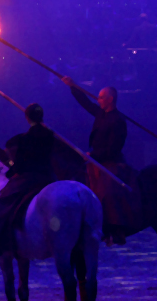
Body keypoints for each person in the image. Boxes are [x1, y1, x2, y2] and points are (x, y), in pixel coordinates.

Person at [61, 77, 142, 244]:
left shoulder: (118, 120)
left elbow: (114, 148)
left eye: (101, 97)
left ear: (110, 99)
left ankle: (117, 229)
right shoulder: (100, 113)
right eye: (98, 97)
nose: (97, 100)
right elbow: (86, 103)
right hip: (96, 160)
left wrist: (94, 155)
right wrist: (73, 86)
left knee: (107, 192)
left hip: (111, 161)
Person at [0, 103, 55, 256]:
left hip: (30, 178)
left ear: (27, 118)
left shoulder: (25, 139)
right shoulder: (50, 135)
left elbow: (19, 165)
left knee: (2, 201)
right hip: (48, 177)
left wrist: (10, 169)